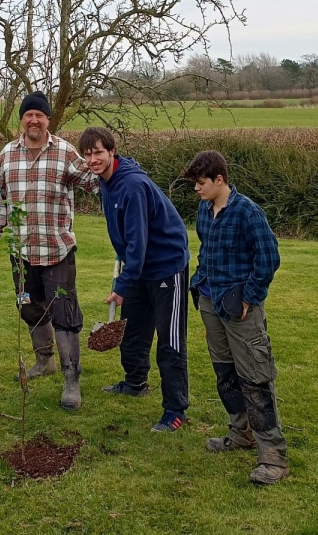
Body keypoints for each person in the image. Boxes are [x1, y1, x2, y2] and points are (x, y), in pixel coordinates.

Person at [0, 92, 98, 410]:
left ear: (48, 119)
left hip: (57, 250)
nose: (34, 119)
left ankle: (71, 378)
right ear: (22, 118)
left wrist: (118, 174)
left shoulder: (65, 152)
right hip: (21, 253)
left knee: (65, 314)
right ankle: (44, 359)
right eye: (28, 114)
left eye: (40, 115)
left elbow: (94, 180)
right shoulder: (7, 154)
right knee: (28, 307)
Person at [182, 149, 290, 485]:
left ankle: (273, 457)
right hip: (211, 303)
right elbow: (206, 252)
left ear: (220, 180)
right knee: (225, 374)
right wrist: (199, 289)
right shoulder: (204, 209)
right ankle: (240, 433)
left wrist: (250, 296)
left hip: (241, 309)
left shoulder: (248, 212)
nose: (197, 189)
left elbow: (269, 258)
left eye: (201, 183)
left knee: (254, 377)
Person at [79, 126, 191, 433]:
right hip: (139, 266)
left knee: (169, 340)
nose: (93, 159)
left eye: (98, 152)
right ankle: (135, 382)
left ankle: (175, 409)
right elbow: (128, 238)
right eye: (88, 154)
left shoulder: (131, 186)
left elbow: (138, 243)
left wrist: (122, 285)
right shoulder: (107, 181)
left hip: (167, 266)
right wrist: (127, 275)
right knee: (133, 331)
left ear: (112, 151)